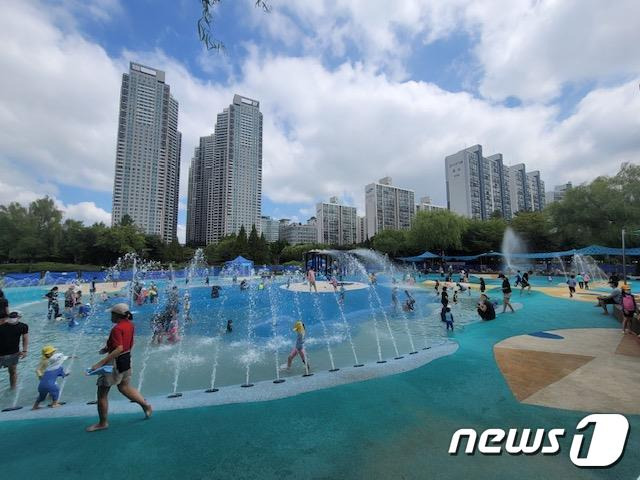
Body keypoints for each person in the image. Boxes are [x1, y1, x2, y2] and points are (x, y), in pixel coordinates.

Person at [86, 303, 151, 432]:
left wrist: (101, 363)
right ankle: (146, 405)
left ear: (117, 316)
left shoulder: (117, 328)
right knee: (124, 387)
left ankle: (102, 423)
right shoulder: (130, 325)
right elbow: (127, 343)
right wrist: (107, 348)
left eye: (112, 314)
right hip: (126, 359)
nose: (110, 316)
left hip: (114, 362)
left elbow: (119, 348)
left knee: (102, 394)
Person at [0, 311, 29, 389]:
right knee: (12, 372)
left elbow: (25, 338)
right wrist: (24, 351)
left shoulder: (23, 326)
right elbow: (25, 339)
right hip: (9, 353)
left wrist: (24, 350)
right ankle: (13, 388)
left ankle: (13, 389)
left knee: (12, 372)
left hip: (13, 353)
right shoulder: (2, 327)